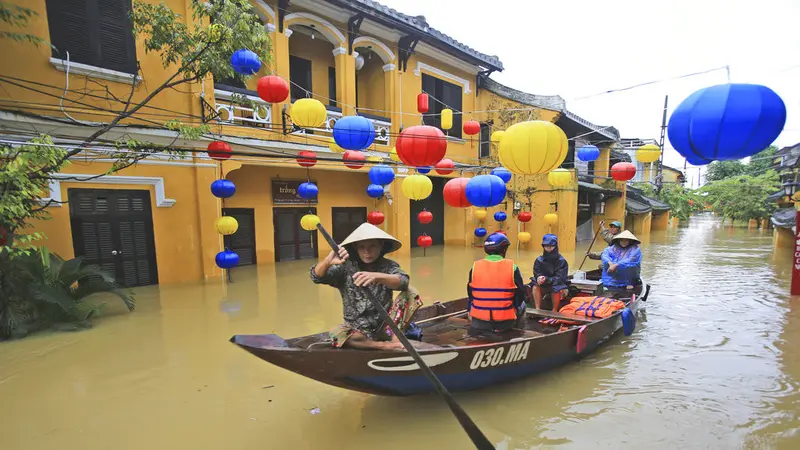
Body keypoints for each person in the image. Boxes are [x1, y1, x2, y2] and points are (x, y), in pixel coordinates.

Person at [310, 223, 422, 351]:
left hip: (387, 327)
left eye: (372, 246)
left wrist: (378, 277)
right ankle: (382, 346)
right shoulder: (345, 267)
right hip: (359, 332)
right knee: (336, 333)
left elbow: (403, 281)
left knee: (411, 292)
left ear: (381, 246)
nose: (367, 251)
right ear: (356, 248)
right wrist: (327, 261)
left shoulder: (388, 266)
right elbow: (316, 276)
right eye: (362, 247)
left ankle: (395, 341)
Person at [467, 232, 529, 332]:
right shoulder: (512, 267)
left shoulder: (475, 266)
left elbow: (470, 294)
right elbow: (520, 294)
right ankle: (518, 332)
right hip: (504, 322)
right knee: (523, 305)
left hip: (479, 321)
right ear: (504, 250)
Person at [530, 234, 570, 312]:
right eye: (546, 246)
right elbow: (536, 272)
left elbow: (560, 278)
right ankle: (537, 309)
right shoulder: (539, 260)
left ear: (555, 246)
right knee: (535, 285)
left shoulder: (561, 261)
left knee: (556, 288)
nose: (548, 248)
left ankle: (554, 310)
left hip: (558, 285)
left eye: (551, 246)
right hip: (544, 284)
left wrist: (547, 279)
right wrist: (539, 277)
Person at [601, 230, 643, 294]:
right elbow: (605, 255)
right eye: (622, 240)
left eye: (626, 240)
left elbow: (630, 260)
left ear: (630, 241)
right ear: (619, 240)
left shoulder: (635, 249)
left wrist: (616, 265)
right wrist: (610, 263)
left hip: (627, 275)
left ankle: (629, 282)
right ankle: (611, 282)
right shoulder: (614, 247)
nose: (623, 242)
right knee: (605, 264)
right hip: (613, 272)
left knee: (630, 266)